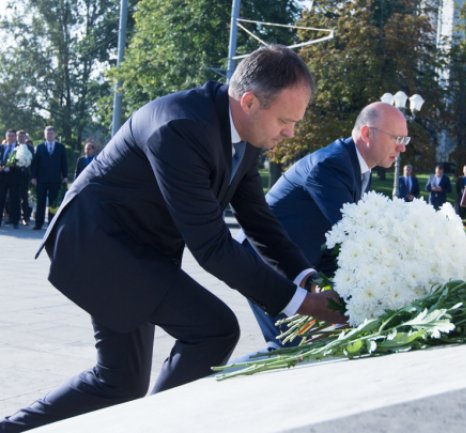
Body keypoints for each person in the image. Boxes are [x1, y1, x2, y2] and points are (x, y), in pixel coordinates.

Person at [0, 45, 346, 433]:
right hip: (97, 246)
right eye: (286, 120)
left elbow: (259, 221)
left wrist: (306, 278)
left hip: (137, 251)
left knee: (118, 381)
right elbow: (212, 246)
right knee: (213, 329)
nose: (291, 132)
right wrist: (300, 305)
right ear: (249, 102)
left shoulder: (245, 138)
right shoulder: (180, 127)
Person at [236, 101, 409, 350]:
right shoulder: (331, 165)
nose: (401, 147)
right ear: (366, 133)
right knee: (289, 349)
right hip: (265, 261)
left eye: (405, 139)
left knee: (300, 350)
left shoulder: (360, 169)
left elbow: (334, 242)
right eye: (396, 137)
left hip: (294, 265)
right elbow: (352, 233)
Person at [30, 126, 68, 230]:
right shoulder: (40, 147)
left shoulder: (60, 147)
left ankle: (52, 224)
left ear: (55, 134)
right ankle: (38, 224)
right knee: (41, 202)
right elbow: (35, 164)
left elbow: (64, 163)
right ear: (45, 134)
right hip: (41, 179)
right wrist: (33, 177)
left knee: (53, 203)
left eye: (51, 133)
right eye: (47, 133)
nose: (49, 135)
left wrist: (65, 176)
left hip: (55, 179)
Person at [0, 130, 23, 229]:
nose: (11, 138)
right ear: (6, 137)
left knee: (15, 199)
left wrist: (14, 165)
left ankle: (15, 221)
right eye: (9, 136)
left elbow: (23, 162)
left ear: (15, 137)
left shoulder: (19, 148)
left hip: (14, 177)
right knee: (1, 198)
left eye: (13, 136)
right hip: (2, 176)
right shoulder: (2, 147)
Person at [16, 130, 34, 226]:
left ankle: (25, 217)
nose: (21, 138)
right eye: (19, 136)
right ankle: (15, 217)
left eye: (23, 136)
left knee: (25, 198)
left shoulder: (30, 148)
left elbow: (33, 162)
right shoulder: (14, 147)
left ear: (25, 137)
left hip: (25, 176)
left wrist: (33, 176)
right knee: (14, 198)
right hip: (14, 176)